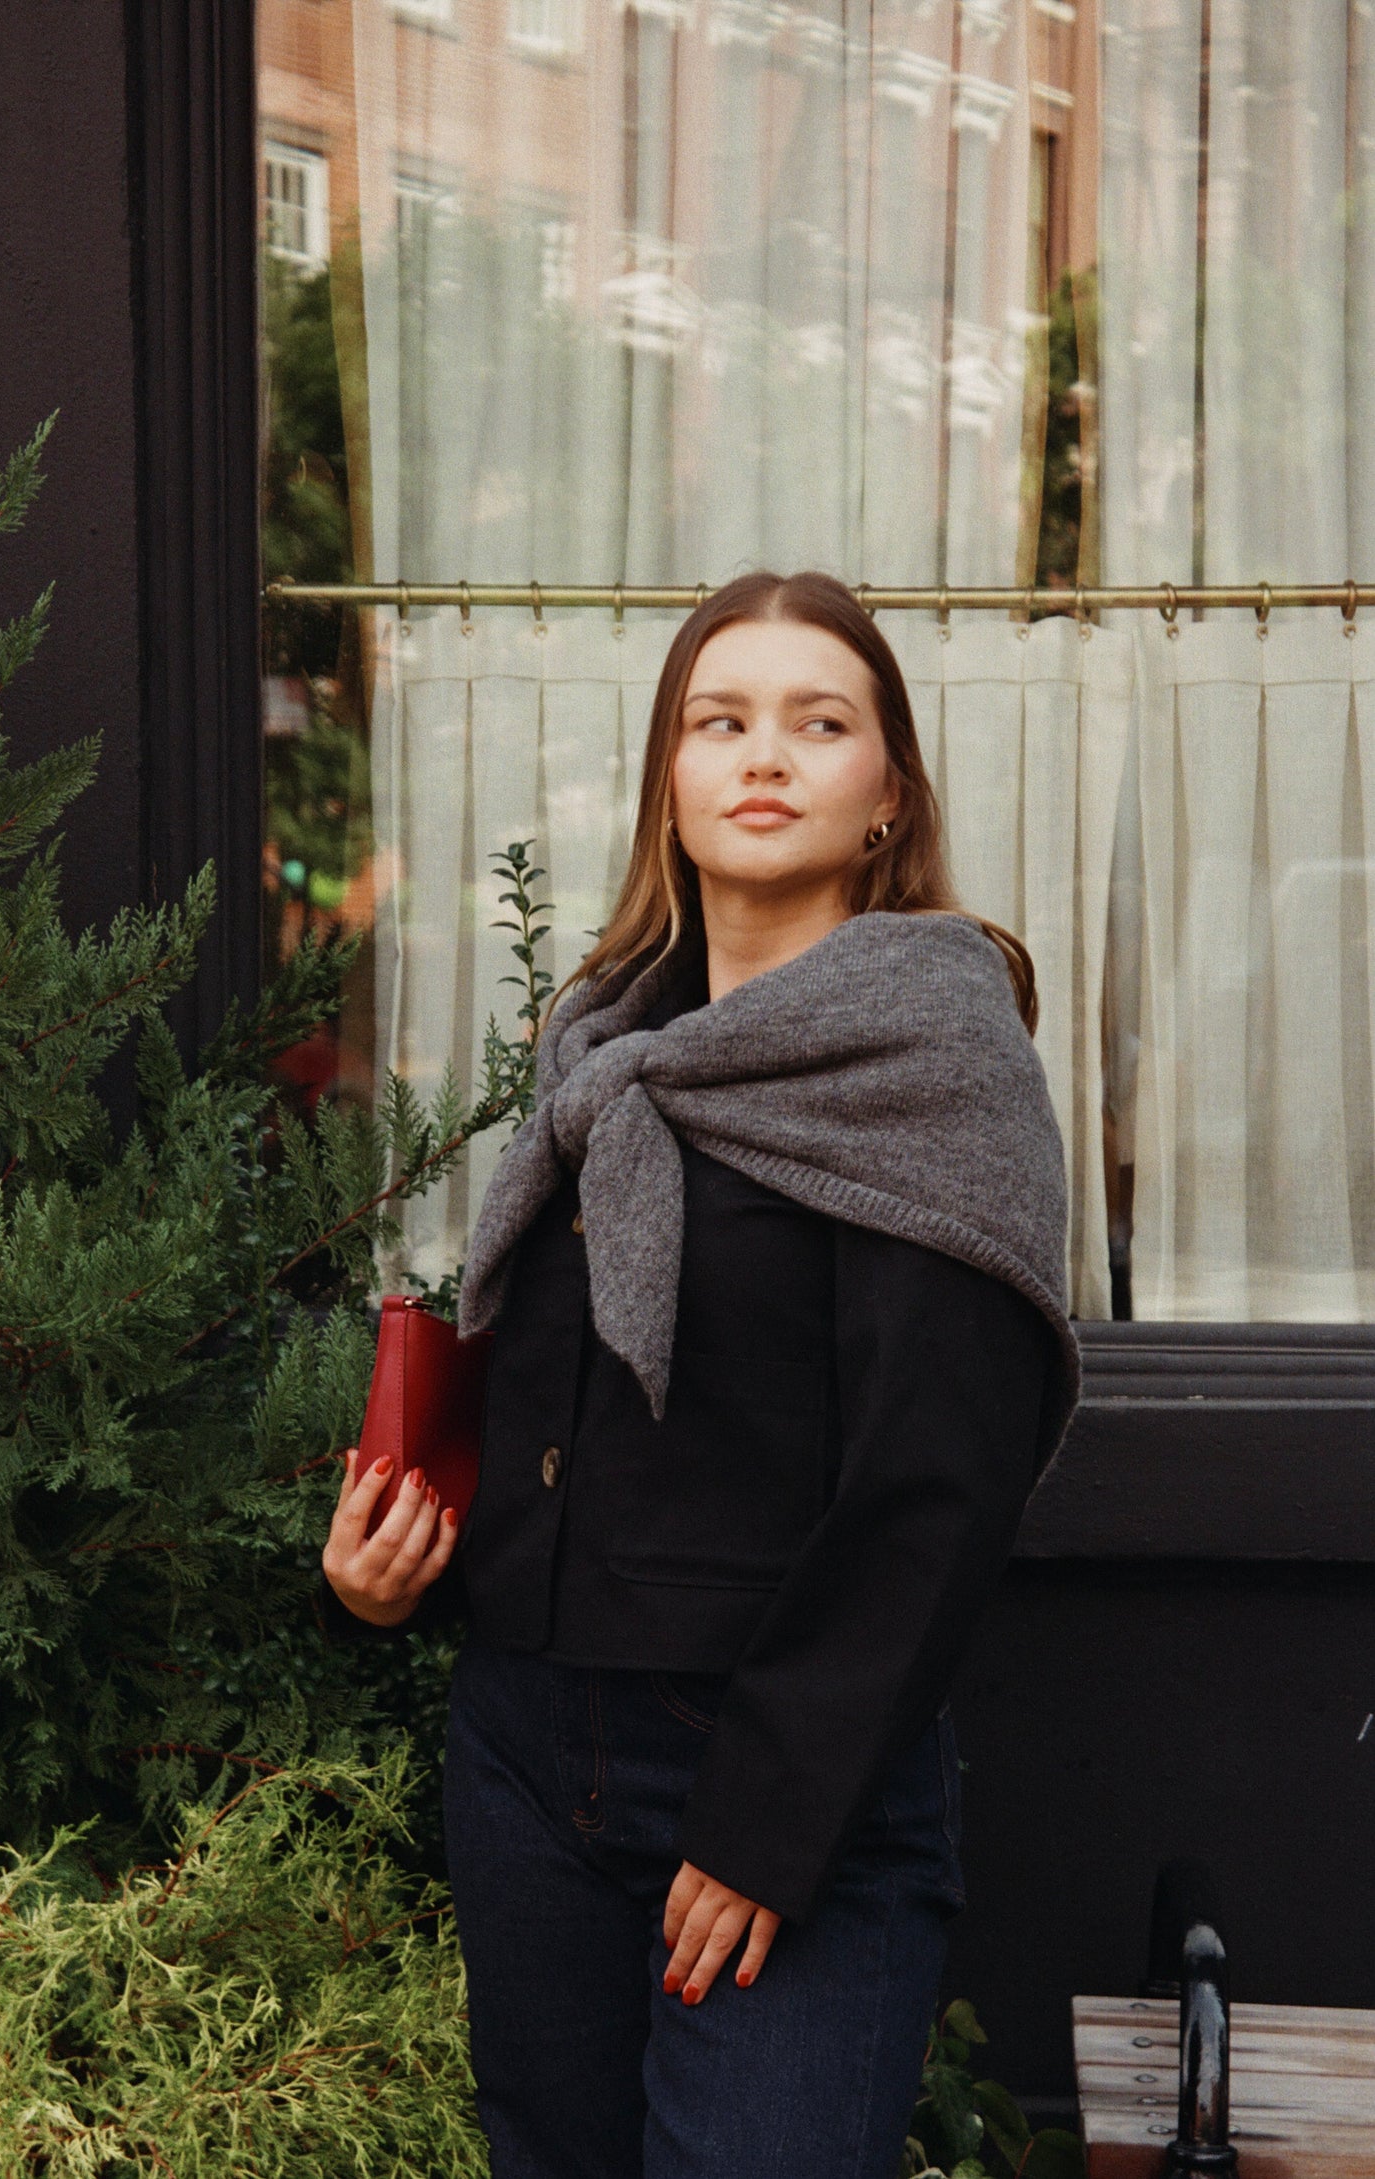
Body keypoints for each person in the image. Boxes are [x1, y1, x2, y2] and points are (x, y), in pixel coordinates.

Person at [321, 571, 1080, 2179]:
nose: (765, 755)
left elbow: (932, 1491)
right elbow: (566, 1408)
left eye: (821, 723)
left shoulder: (935, 1071)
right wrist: (402, 1566)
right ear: (668, 779)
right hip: (528, 1751)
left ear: (887, 794)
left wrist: (765, 1823)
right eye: (718, 720)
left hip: (778, 1773)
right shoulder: (604, 1054)